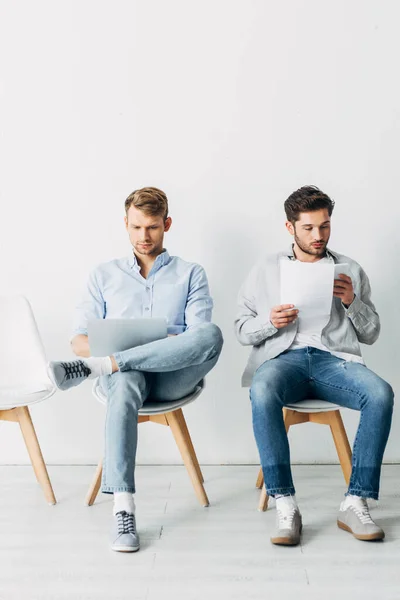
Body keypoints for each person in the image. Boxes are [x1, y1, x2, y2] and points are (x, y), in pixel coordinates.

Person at [49, 187, 223, 553]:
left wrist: (114, 357)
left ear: (167, 225)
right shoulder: (103, 275)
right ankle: (123, 509)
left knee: (211, 334)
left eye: (153, 228)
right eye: (137, 227)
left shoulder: (191, 273)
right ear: (125, 225)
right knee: (127, 379)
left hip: (174, 378)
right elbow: (77, 342)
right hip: (124, 383)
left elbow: (198, 339)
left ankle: (106, 365)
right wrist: (117, 353)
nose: (145, 237)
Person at [235, 185, 393, 546]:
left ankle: (356, 502)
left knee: (381, 394)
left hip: (335, 362)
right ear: (289, 228)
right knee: (262, 390)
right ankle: (285, 503)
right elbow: (241, 329)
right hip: (282, 359)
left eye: (324, 226)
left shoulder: (349, 268)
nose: (318, 235)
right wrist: (268, 323)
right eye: (308, 228)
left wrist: (352, 302)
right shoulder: (265, 269)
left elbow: (371, 334)